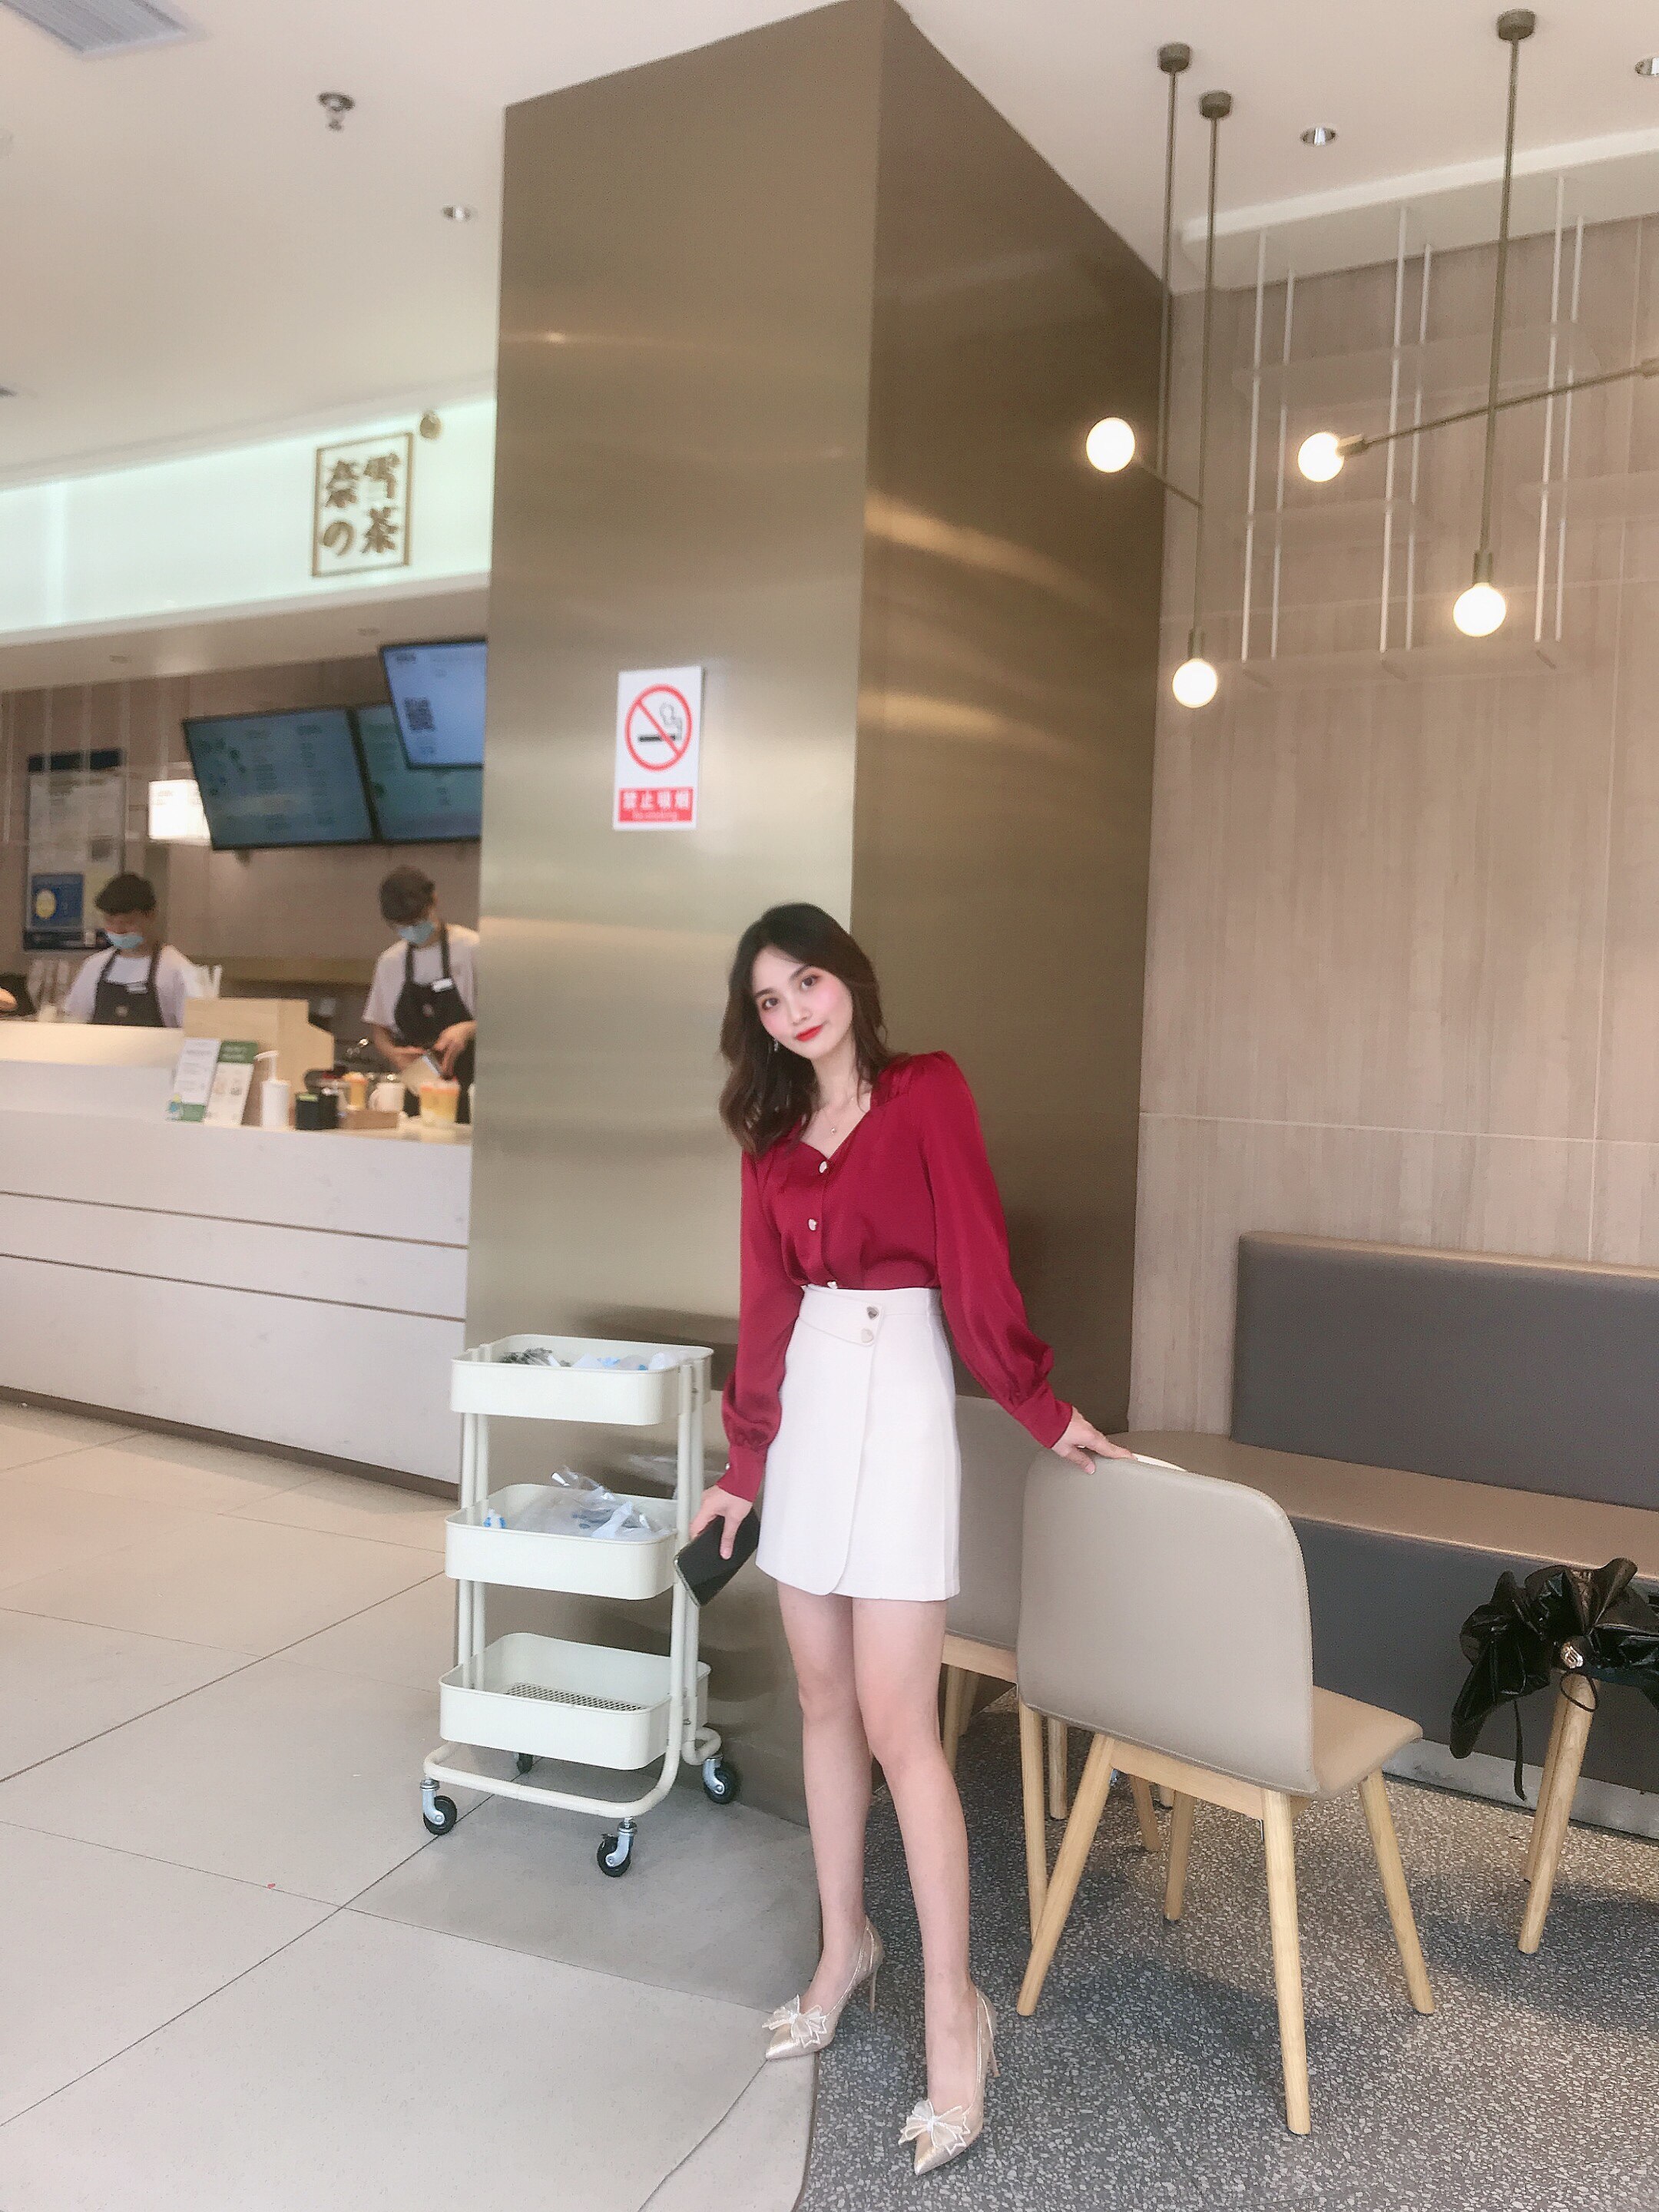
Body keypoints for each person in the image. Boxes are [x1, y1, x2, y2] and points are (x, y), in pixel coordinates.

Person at [688, 902, 1127, 2178]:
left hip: (905, 1397)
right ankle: (844, 1948)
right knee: (823, 1699)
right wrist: (744, 1467)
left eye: (806, 983)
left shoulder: (929, 1091)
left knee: (899, 1724)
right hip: (811, 1409)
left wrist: (1039, 1404)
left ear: (849, 979)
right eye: (769, 1002)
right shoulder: (771, 1135)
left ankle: (953, 2012)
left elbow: (977, 1260)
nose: (793, 1014)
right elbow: (764, 1305)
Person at [364, 865, 478, 1119]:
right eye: (402, 926)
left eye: (417, 921)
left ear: (434, 901)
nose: (413, 930)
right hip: (418, 1092)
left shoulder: (472, 949)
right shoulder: (390, 963)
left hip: (473, 1092)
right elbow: (380, 1029)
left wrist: (467, 1029)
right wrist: (394, 1054)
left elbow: (510, 1019)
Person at [62, 874, 200, 1027]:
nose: (118, 930)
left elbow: (198, 1032)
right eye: (110, 921)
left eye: (128, 922)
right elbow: (75, 1022)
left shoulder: (178, 970)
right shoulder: (94, 966)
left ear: (151, 915)